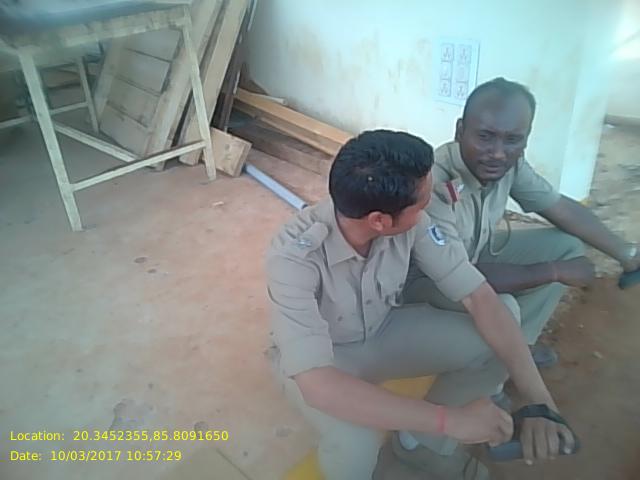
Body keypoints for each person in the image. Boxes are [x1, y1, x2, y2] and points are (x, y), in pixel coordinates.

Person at [266, 129, 574, 480]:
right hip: (329, 359)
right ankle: (432, 428)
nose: (428, 209)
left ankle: (418, 444)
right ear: (380, 221)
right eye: (422, 204)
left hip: (383, 331)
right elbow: (317, 384)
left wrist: (541, 401)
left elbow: (479, 296)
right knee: (357, 446)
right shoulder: (293, 257)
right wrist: (448, 420)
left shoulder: (410, 222)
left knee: (498, 330)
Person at [404, 77, 640, 373]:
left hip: (471, 255)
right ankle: (489, 377)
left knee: (565, 247)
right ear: (460, 130)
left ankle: (517, 349)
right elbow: (461, 277)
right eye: (485, 136)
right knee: (503, 307)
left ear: (525, 139)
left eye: (513, 139)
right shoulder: (433, 182)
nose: (498, 152)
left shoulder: (509, 164)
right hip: (426, 283)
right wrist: (552, 271)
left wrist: (627, 254)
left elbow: (559, 207)